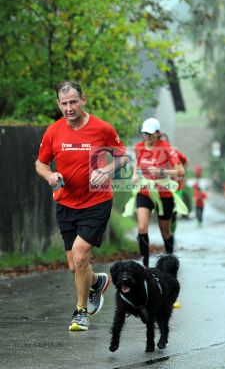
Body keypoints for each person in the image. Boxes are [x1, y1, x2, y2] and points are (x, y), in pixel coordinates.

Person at [35, 80, 127, 331]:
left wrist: (107, 170)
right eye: (64, 103)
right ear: (58, 104)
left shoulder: (102, 128)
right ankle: (97, 281)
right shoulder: (53, 131)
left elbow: (122, 156)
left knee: (79, 255)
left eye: (73, 102)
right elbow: (40, 164)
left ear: (83, 100)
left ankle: (80, 312)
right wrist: (50, 176)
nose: (69, 108)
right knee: (74, 265)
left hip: (96, 201)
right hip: (65, 202)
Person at [131, 118, 186, 267]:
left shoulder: (167, 148)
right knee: (142, 227)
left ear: (157, 133)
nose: (146, 137)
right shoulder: (138, 147)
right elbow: (137, 165)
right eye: (144, 133)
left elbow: (181, 171)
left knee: (165, 232)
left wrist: (161, 171)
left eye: (149, 134)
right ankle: (145, 266)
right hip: (145, 191)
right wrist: (135, 175)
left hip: (164, 194)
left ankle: (170, 262)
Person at [159, 132, 189, 232]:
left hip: (176, 187)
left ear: (168, 142)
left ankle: (172, 232)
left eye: (164, 141)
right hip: (162, 187)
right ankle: (167, 233)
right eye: (160, 141)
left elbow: (186, 161)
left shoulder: (174, 152)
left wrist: (181, 175)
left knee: (173, 211)